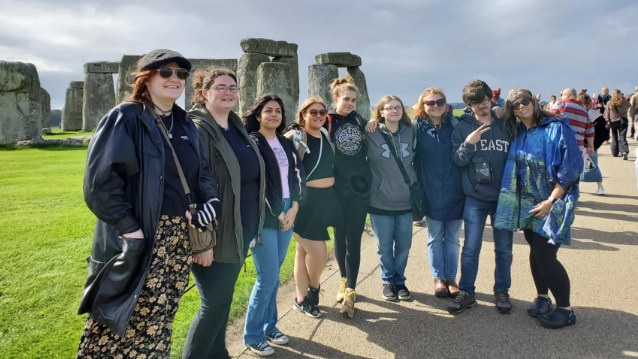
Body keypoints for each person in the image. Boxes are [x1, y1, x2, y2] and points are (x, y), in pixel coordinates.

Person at [76, 49, 221, 358]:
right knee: (120, 324)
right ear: (146, 78)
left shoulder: (186, 125)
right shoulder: (125, 117)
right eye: (165, 72)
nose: (175, 79)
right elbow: (100, 184)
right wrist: (131, 231)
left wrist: (210, 203)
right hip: (140, 237)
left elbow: (202, 174)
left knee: (160, 320)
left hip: (177, 240)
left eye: (181, 74)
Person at [183, 67, 265, 359]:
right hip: (212, 234)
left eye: (233, 87)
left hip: (238, 229)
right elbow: (191, 188)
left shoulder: (235, 126)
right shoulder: (195, 128)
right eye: (221, 87)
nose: (229, 92)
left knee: (223, 302)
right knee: (212, 306)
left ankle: (219, 354)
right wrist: (202, 241)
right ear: (204, 93)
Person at [495, 88, 582, 329]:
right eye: (515, 105)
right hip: (528, 203)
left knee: (546, 256)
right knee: (535, 251)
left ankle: (566, 310)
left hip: (552, 202)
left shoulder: (556, 127)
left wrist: (551, 201)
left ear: (533, 101)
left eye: (525, 101)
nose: (521, 106)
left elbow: (572, 167)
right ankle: (542, 297)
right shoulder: (518, 131)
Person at [242, 94, 306, 356]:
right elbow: (259, 182)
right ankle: (253, 334)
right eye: (268, 110)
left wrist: (295, 207)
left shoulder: (285, 141)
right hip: (265, 214)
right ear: (258, 115)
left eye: (278, 111)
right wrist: (280, 212)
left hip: (288, 209)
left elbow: (297, 174)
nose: (274, 115)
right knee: (267, 277)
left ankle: (270, 326)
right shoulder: (252, 142)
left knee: (274, 276)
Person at [448, 80, 514, 314]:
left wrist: (504, 109)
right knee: (471, 248)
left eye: (485, 101)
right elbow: (457, 161)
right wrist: (468, 143)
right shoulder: (462, 127)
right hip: (475, 197)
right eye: (475, 103)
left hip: (504, 197)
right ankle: (467, 292)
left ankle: (502, 290)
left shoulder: (506, 122)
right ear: (468, 104)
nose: (481, 107)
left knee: (504, 248)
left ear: (491, 99)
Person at [284, 97, 342, 319]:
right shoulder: (295, 138)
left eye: (322, 112)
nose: (318, 115)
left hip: (326, 199)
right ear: (303, 115)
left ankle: (300, 299)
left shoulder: (325, 136)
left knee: (302, 252)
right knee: (319, 254)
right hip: (305, 202)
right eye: (313, 112)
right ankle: (313, 291)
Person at [325, 78, 371, 318]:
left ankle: (351, 288)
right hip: (337, 188)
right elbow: (303, 124)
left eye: (354, 100)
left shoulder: (360, 120)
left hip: (360, 188)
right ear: (336, 99)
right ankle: (344, 280)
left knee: (354, 237)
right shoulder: (327, 120)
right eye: (346, 99)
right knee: (340, 237)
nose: (351, 103)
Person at [412, 88, 465, 298]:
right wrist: (373, 121)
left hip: (455, 188)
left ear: (445, 103)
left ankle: (451, 278)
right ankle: (438, 278)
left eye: (439, 101)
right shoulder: (415, 126)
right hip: (430, 189)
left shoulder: (456, 124)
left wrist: (498, 111)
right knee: (434, 237)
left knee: (452, 237)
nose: (435, 105)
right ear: (423, 106)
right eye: (430, 103)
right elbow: (390, 126)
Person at [364, 96, 417, 301]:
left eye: (398, 107)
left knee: (404, 245)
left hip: (405, 198)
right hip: (380, 199)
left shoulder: (411, 130)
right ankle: (387, 280)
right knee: (384, 246)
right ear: (381, 112)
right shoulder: (370, 132)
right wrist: (369, 122)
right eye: (389, 108)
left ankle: (400, 280)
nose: (394, 111)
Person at [551, 88, 595, 157]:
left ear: (568, 95)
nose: (561, 97)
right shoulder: (584, 111)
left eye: (562, 95)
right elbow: (590, 131)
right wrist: (590, 146)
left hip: (561, 147)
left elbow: (549, 120)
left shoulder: (560, 104)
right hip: (578, 148)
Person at [578, 92, 606, 195]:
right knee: (594, 166)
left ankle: (576, 189)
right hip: (592, 145)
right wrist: (595, 144)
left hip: (579, 144)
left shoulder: (577, 113)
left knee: (576, 167)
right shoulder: (597, 115)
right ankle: (600, 187)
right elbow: (603, 133)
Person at [604, 89, 631, 160]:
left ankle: (615, 152)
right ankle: (624, 151)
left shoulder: (609, 103)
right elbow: (629, 106)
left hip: (613, 122)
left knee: (614, 137)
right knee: (623, 137)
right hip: (623, 121)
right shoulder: (624, 101)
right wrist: (623, 98)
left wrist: (607, 121)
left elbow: (607, 113)